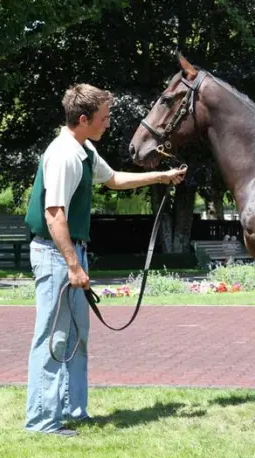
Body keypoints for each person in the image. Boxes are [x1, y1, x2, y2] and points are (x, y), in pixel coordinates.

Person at [23, 84, 187, 437]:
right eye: (104, 118)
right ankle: (41, 421)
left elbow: (113, 180)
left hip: (69, 253)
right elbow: (54, 215)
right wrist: (73, 265)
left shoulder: (84, 149)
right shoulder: (64, 155)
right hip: (55, 255)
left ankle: (75, 411)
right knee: (53, 339)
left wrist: (162, 177)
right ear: (83, 119)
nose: (109, 123)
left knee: (76, 337)